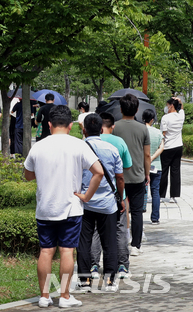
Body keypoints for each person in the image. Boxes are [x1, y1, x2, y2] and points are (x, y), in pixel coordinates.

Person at [24, 105, 104, 308]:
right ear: (70, 125)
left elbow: (28, 175)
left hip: (45, 207)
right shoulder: (79, 145)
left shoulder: (38, 146)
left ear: (49, 125)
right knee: (67, 251)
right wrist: (86, 196)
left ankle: (44, 296)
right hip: (71, 207)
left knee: (46, 251)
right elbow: (99, 172)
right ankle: (65, 297)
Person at [75, 114, 125, 293]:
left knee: (84, 242)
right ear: (102, 129)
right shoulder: (111, 149)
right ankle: (110, 281)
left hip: (84, 203)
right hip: (108, 204)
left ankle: (84, 281)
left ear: (84, 130)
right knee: (109, 241)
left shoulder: (79, 148)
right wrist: (121, 198)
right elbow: (119, 177)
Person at [90, 112, 133, 279]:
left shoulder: (88, 143)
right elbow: (126, 168)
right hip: (114, 195)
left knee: (94, 231)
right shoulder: (119, 142)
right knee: (120, 229)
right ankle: (122, 265)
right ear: (112, 126)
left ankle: (93, 265)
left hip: (91, 195)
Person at [112, 94, 150, 257]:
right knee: (136, 211)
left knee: (118, 210)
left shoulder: (114, 127)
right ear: (137, 110)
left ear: (121, 109)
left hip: (117, 176)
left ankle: (117, 241)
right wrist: (147, 174)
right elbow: (147, 155)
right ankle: (136, 245)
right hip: (137, 176)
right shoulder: (143, 129)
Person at [159, 97, 184, 203]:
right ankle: (174, 196)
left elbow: (163, 133)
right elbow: (182, 108)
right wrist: (180, 102)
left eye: (167, 104)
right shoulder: (180, 116)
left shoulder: (165, 118)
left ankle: (161, 195)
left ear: (171, 105)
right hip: (178, 146)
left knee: (164, 171)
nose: (166, 107)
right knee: (175, 171)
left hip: (168, 147)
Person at [143, 109, 164, 224]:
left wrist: (147, 159)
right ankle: (155, 218)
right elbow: (162, 147)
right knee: (155, 191)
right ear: (152, 119)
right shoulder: (157, 132)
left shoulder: (141, 131)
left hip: (141, 165)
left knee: (141, 190)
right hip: (156, 165)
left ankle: (139, 211)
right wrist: (152, 158)